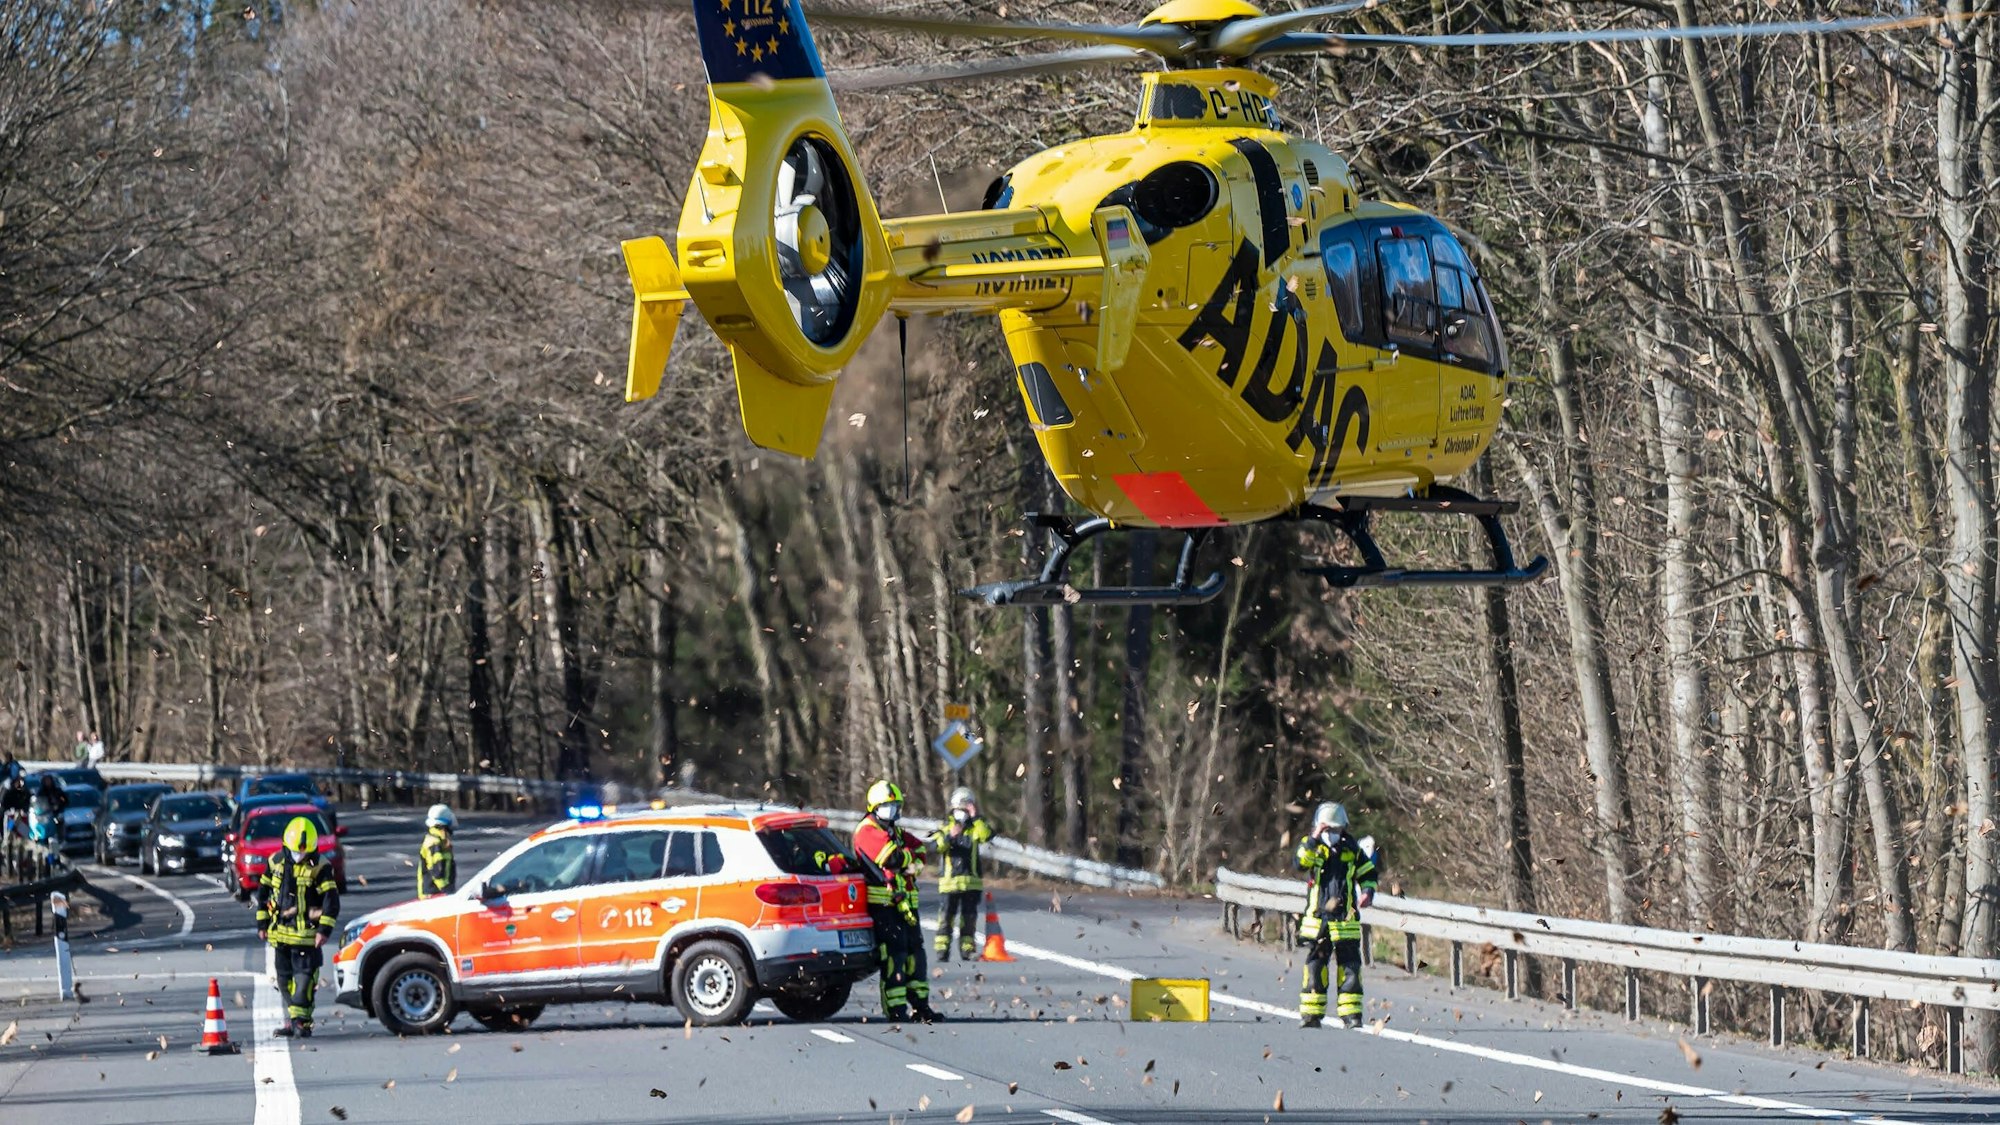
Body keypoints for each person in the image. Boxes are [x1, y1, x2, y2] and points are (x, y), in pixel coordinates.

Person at [852, 779, 941, 1023]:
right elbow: (892, 858)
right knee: (895, 956)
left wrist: (912, 861)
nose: (893, 809)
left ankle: (921, 1006)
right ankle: (896, 1009)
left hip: (906, 905)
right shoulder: (867, 830)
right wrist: (909, 861)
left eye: (895, 805)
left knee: (916, 955)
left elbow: (919, 850)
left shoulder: (894, 832)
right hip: (884, 906)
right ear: (875, 806)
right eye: (888, 805)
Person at [254, 816, 340, 1038]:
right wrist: (262, 924)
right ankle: (296, 1020)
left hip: (307, 937)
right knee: (284, 980)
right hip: (280, 935)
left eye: (304, 852)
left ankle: (301, 1023)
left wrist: (323, 931)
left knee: (303, 981)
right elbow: (263, 895)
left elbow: (331, 901)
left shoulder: (320, 867)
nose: (299, 855)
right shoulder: (275, 862)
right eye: (295, 851)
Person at [1297, 801, 1377, 1029]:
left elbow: (1368, 873)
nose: (1331, 834)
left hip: (1345, 921)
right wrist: (1314, 838)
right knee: (1315, 968)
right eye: (1327, 829)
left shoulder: (1352, 850)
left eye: (1335, 829)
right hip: (1318, 920)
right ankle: (1311, 1015)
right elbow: (1301, 862)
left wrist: (1368, 892)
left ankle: (1351, 1016)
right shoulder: (1312, 847)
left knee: (1350, 969)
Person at [928, 786, 992, 962]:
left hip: (971, 883)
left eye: (965, 809)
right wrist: (950, 836)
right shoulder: (945, 827)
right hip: (950, 884)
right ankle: (942, 950)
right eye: (959, 809)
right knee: (946, 918)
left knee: (969, 919)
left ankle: (967, 950)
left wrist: (975, 816)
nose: (961, 813)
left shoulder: (974, 828)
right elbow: (935, 846)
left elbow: (986, 835)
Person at [418, 804, 457, 898]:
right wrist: (446, 891)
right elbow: (437, 871)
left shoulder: (438, 839)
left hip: (434, 892)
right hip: (435, 894)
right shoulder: (436, 842)